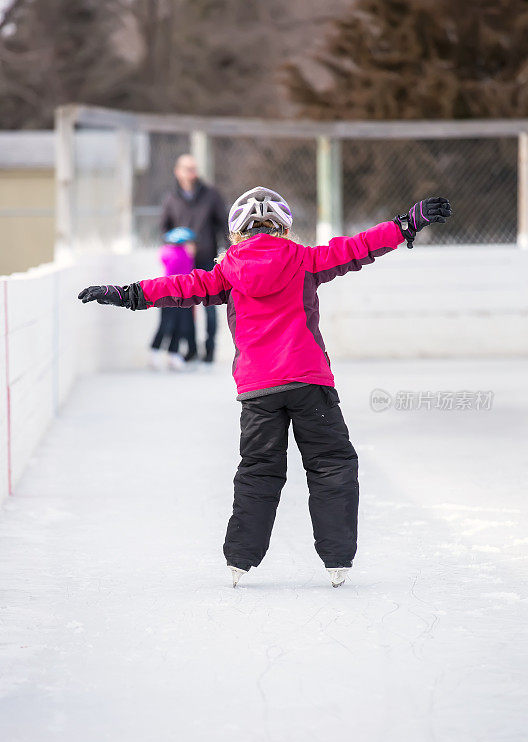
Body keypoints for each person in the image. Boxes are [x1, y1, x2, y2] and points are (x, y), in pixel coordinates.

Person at [78, 188, 452, 588]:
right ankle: (337, 560)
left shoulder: (225, 273)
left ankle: (239, 560)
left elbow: (179, 287)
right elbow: (358, 248)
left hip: (259, 391)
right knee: (332, 464)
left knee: (258, 470)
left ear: (236, 232)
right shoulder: (305, 260)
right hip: (310, 384)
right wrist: (407, 223)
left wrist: (124, 294)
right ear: (284, 227)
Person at [160, 153, 229, 363]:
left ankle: (209, 351)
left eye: (194, 168)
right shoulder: (171, 198)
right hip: (182, 263)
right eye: (188, 168)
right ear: (177, 171)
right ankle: (189, 349)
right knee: (185, 306)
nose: (192, 173)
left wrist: (228, 253)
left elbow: (223, 225)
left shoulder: (211, 195)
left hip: (207, 259)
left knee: (210, 306)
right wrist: (178, 245)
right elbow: (164, 230)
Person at [149, 226, 197, 371]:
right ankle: (155, 352)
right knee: (166, 325)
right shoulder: (175, 253)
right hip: (168, 294)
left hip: (183, 295)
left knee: (180, 325)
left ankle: (173, 353)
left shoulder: (185, 254)